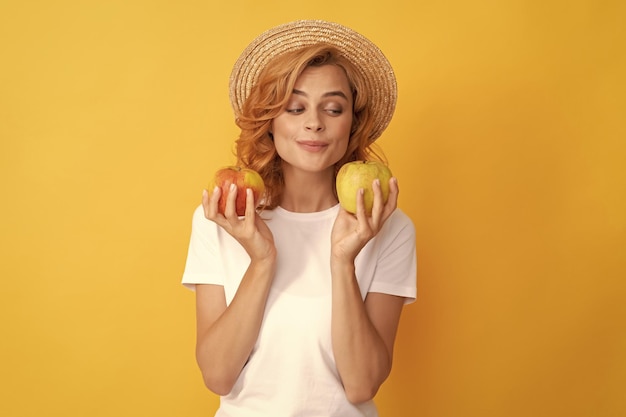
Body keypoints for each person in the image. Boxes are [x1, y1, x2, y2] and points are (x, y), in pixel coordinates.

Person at [182, 20, 417, 417]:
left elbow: (361, 385)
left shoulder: (386, 226)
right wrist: (262, 260)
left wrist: (343, 261)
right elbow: (218, 376)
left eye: (333, 108)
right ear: (271, 123)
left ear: (352, 124)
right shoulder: (222, 218)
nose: (314, 123)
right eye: (295, 107)